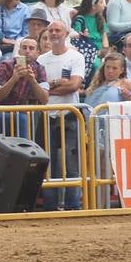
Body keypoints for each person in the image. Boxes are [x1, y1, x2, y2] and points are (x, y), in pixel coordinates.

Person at [35, 21, 84, 211]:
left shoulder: (75, 56)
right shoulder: (41, 59)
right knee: (49, 165)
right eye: (51, 31)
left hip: (69, 115)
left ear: (66, 33)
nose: (54, 33)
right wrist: (54, 86)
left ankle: (73, 206)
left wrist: (49, 88)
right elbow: (36, 88)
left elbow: (73, 85)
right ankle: (50, 206)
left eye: (58, 30)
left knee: (72, 165)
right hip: (48, 115)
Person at [0, 35, 48, 142]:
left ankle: (24, 154)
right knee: (18, 118)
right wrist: (14, 78)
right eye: (24, 48)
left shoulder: (40, 69)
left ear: (38, 52)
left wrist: (32, 80)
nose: (27, 51)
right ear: (19, 51)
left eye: (31, 48)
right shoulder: (4, 66)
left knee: (22, 118)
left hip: (24, 117)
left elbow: (44, 99)